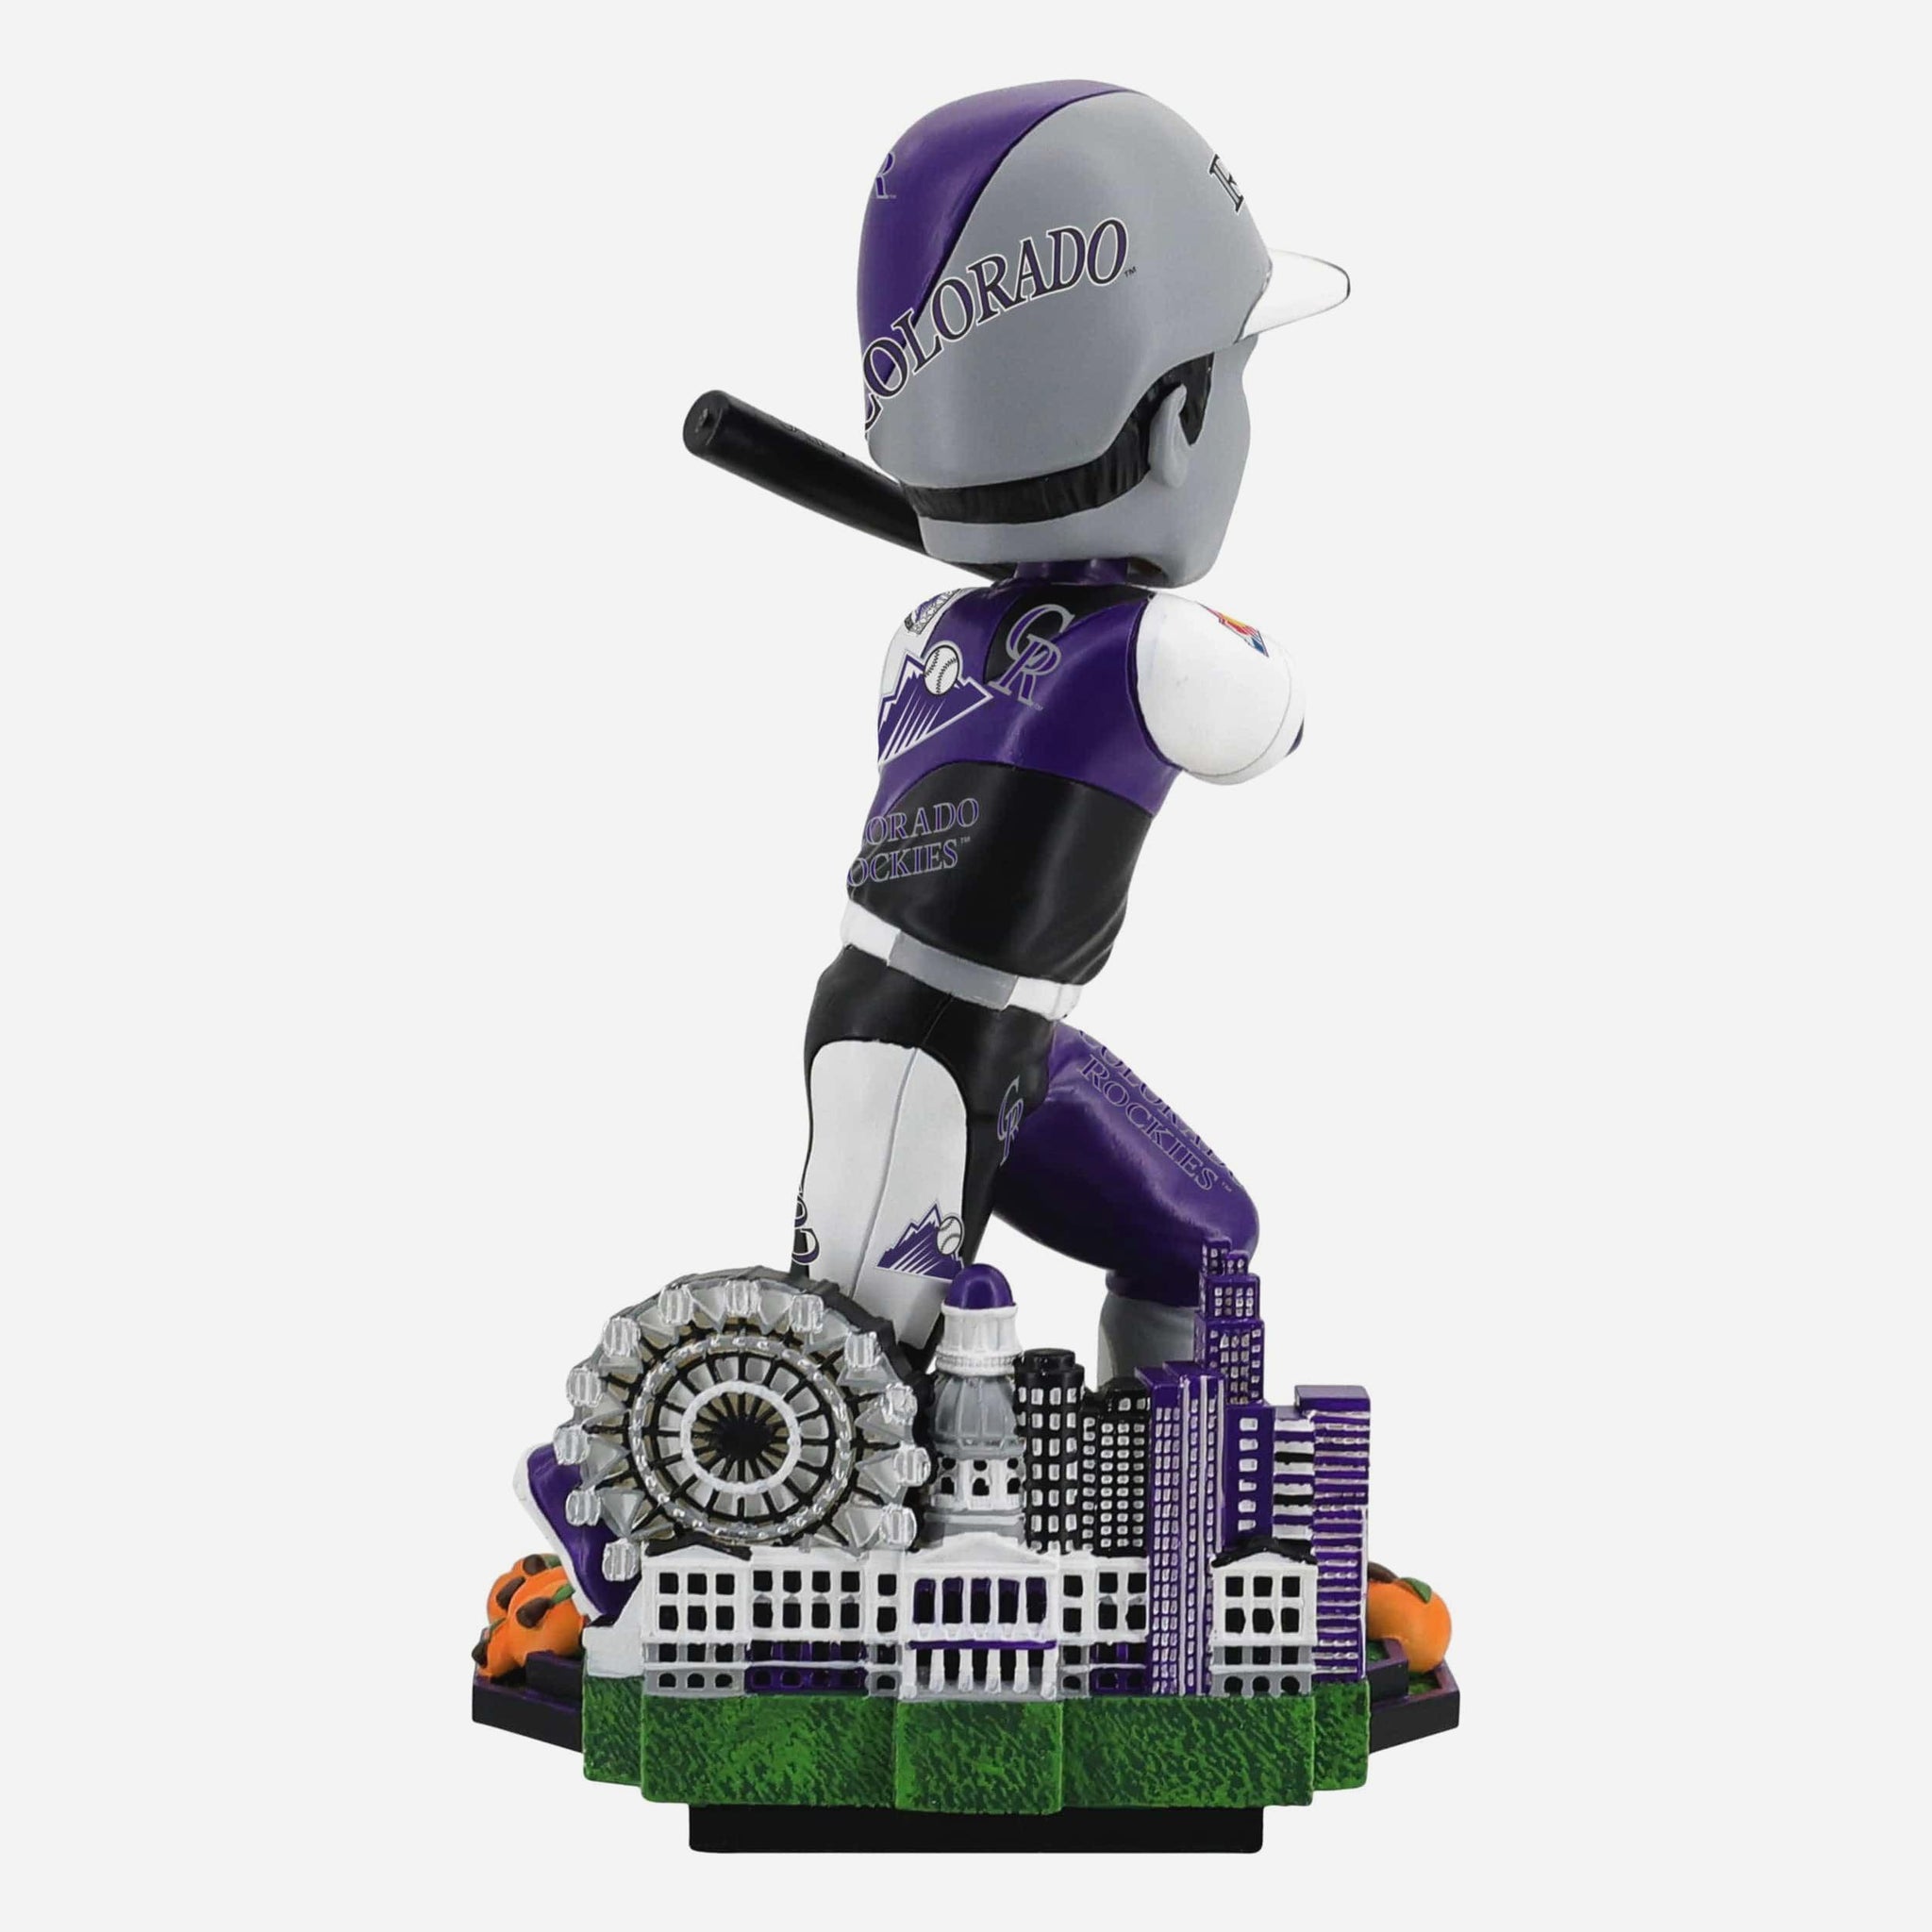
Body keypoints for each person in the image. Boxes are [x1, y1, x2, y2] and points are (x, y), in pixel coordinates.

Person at [793, 81, 1347, 1378]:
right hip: (921, 1049)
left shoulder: (927, 628)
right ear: (1178, 425)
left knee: (1202, 1235)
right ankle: (614, 1484)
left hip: (1008, 1037)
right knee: (849, 1361)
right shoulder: (1154, 649)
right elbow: (1273, 720)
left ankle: (1176, 1482)